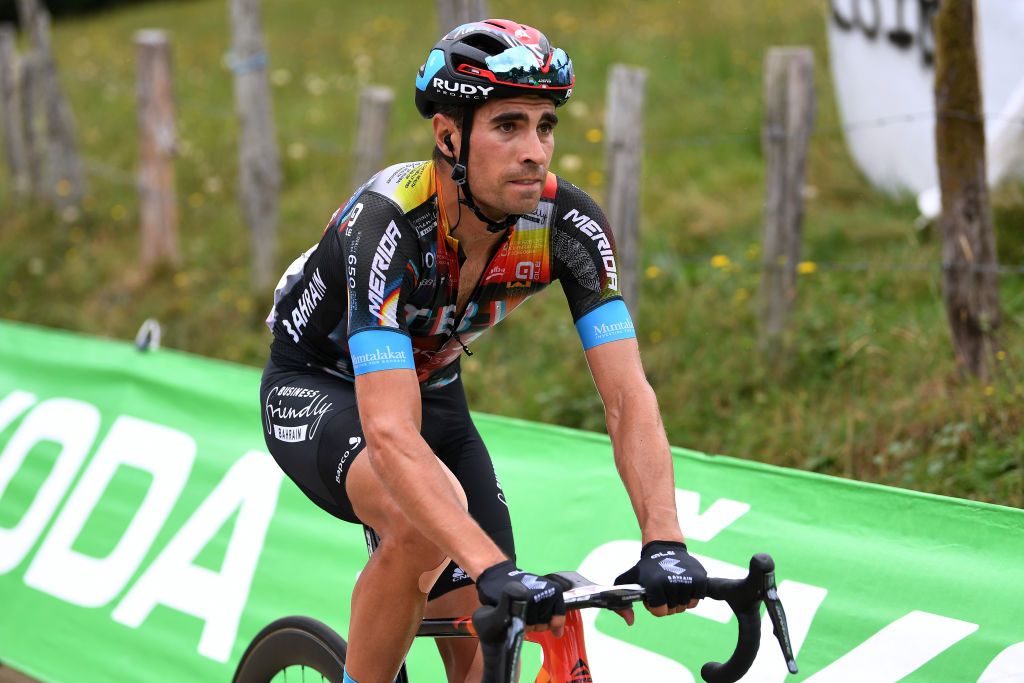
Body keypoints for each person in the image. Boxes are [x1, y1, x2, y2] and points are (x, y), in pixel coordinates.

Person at [259, 18, 707, 683]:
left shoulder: (566, 226)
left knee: (486, 651)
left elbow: (627, 395)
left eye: (545, 126)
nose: (535, 151)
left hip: (433, 394)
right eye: (508, 126)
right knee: (427, 524)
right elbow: (385, 428)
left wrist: (664, 538)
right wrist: (491, 565)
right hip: (323, 387)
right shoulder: (386, 224)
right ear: (448, 135)